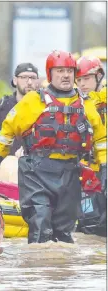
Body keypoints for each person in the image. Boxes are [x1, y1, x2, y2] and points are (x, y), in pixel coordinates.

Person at [0, 50, 107, 244]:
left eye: (69, 71)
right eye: (60, 71)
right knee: (40, 223)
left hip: (70, 173)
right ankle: (37, 269)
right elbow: (6, 132)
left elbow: (100, 140)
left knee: (64, 233)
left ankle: (59, 271)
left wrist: (104, 167)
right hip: (37, 172)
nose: (65, 75)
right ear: (50, 74)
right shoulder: (33, 101)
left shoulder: (85, 104)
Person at [76, 56, 107, 236]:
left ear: (99, 77)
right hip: (87, 171)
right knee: (89, 225)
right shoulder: (77, 104)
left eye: (86, 79)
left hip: (105, 167)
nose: (82, 84)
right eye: (78, 80)